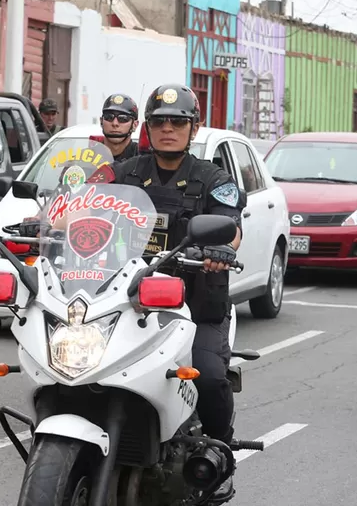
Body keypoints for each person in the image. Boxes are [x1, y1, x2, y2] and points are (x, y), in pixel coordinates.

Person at [110, 83, 245, 502]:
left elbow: (231, 227)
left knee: (207, 378)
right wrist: (45, 225)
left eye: (178, 122)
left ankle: (219, 455)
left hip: (195, 305)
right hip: (125, 301)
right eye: (159, 121)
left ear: (194, 127)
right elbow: (77, 208)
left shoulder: (213, 178)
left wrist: (221, 248)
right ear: (146, 127)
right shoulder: (122, 173)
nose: (168, 129)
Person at [100, 93, 140, 162]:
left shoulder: (145, 159)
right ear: (101, 121)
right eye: (109, 117)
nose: (115, 123)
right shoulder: (85, 158)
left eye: (123, 118)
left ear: (135, 125)